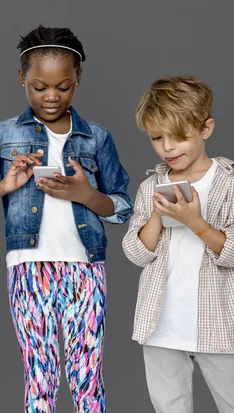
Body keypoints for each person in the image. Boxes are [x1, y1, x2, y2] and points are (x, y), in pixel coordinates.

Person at [0, 25, 133, 413]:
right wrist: (4, 186)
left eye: (63, 86)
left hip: (86, 269)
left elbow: (123, 207)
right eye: (39, 87)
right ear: (22, 79)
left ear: (78, 79)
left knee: (88, 378)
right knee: (40, 377)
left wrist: (85, 195)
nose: (51, 96)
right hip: (28, 269)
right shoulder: (3, 136)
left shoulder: (97, 139)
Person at [122, 76, 234, 413]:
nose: (167, 148)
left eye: (179, 136)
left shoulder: (228, 182)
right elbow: (136, 252)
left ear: (206, 128)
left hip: (222, 327)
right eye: (157, 138)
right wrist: (157, 216)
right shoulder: (150, 185)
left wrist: (195, 222)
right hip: (161, 327)